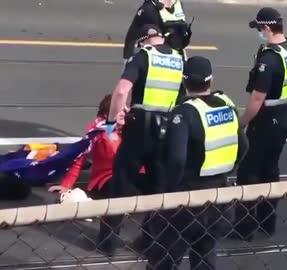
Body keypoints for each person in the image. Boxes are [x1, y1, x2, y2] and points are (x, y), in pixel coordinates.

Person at [144, 56, 248, 270]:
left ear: (184, 82)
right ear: (211, 80)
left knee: (164, 258)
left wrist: (169, 192)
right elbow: (244, 144)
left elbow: (176, 159)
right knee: (205, 257)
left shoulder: (185, 113)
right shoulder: (226, 104)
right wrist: (228, 168)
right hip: (220, 199)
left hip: (188, 201)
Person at [101, 23, 185, 255]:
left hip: (139, 128)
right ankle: (150, 240)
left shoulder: (143, 57)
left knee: (121, 182)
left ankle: (108, 241)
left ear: (145, 39)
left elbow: (121, 91)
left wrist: (112, 120)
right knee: (159, 188)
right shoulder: (180, 59)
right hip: (166, 128)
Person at [232, 7, 287, 241]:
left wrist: (242, 124)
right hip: (284, 117)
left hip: (266, 120)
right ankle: (267, 221)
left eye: (259, 29)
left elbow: (256, 99)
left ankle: (244, 228)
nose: (259, 33)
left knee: (249, 172)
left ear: (266, 27)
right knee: (271, 169)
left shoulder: (269, 59)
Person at [48, 94, 149, 255]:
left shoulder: (131, 127)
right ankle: (107, 241)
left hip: (133, 174)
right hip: (107, 176)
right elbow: (80, 157)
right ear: (109, 112)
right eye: (121, 108)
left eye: (126, 108)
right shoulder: (99, 130)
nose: (125, 111)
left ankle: (148, 239)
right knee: (120, 189)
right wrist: (67, 185)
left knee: (160, 184)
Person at [123, 0, 191, 64]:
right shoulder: (149, 10)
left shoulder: (178, 5)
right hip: (158, 60)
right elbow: (131, 38)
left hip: (178, 56)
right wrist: (127, 61)